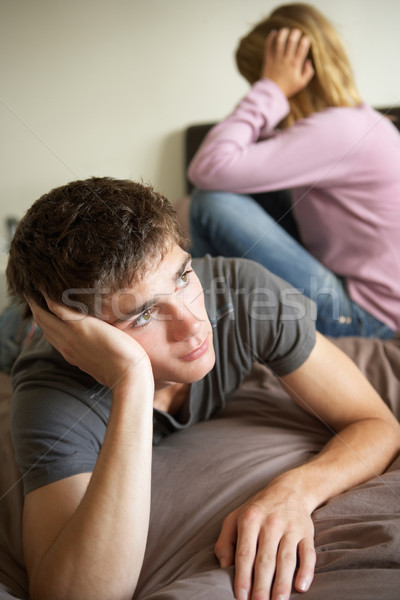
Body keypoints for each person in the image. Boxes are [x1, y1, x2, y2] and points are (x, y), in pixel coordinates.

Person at [6, 177, 400, 600]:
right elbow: (75, 594)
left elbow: (375, 423)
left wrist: (294, 491)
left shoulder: (243, 292)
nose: (194, 324)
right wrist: (133, 383)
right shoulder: (50, 394)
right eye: (142, 316)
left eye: (182, 276)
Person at [187, 3, 400, 339]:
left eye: (256, 80)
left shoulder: (338, 130)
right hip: (363, 297)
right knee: (234, 189)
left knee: (210, 201)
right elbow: (234, 158)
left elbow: (209, 167)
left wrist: (271, 89)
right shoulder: (356, 122)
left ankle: (198, 324)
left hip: (366, 319)